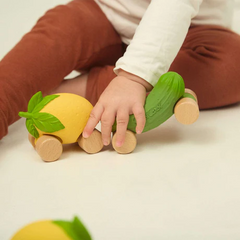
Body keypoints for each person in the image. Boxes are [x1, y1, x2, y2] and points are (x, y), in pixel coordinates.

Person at [0, 0, 239, 146]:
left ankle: (74, 90)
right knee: (61, 29)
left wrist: (133, 76)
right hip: (108, 15)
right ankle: (8, 95)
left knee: (233, 64)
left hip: (191, 32)